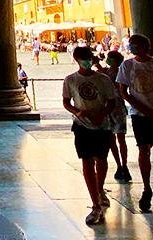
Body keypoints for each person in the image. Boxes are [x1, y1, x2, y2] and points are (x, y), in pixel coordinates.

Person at [116, 34, 153, 215]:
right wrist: (142, 108)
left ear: (145, 47)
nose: (133, 48)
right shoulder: (127, 65)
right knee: (144, 150)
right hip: (139, 115)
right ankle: (146, 188)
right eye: (131, 45)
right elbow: (123, 92)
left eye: (136, 45)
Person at [62, 46, 116, 226]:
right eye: (83, 58)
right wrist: (77, 112)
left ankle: (99, 190)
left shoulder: (103, 79)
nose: (87, 61)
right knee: (86, 161)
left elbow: (112, 101)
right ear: (76, 59)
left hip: (103, 125)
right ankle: (95, 204)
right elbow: (66, 101)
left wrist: (103, 114)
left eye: (88, 57)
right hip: (81, 126)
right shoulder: (70, 79)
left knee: (101, 159)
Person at [98, 50, 130, 183]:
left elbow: (114, 83)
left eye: (110, 58)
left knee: (119, 138)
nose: (108, 60)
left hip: (117, 106)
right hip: (110, 107)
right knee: (113, 138)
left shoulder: (120, 72)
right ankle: (119, 164)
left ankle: (123, 164)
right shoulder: (105, 70)